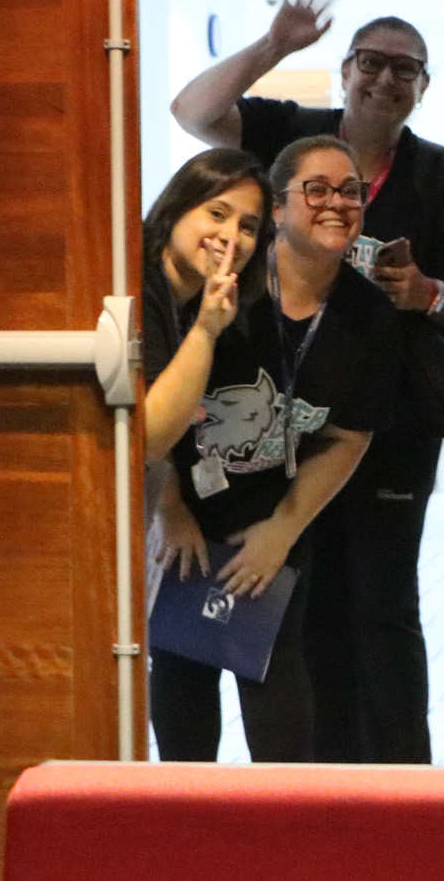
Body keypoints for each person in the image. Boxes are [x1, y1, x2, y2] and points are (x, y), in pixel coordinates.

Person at [170, 0, 444, 764]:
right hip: (272, 432)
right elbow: (193, 111)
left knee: (382, 605)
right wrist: (275, 45)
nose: (384, 78)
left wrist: (427, 292)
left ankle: (400, 782)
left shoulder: (435, 175)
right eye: (370, 61)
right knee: (293, 604)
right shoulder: (291, 135)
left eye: (405, 68)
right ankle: (319, 775)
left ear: (423, 87)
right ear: (345, 70)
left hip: (381, 421)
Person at [142, 139, 399, 762]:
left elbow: (349, 435)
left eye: (350, 191)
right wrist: (171, 509)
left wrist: (283, 529)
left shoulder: (367, 315)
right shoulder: (222, 290)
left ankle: (285, 817)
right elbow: (152, 415)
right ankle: (185, 814)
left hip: (273, 513)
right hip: (183, 504)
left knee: (274, 669)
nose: (336, 202)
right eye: (316, 189)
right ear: (281, 210)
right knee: (180, 666)